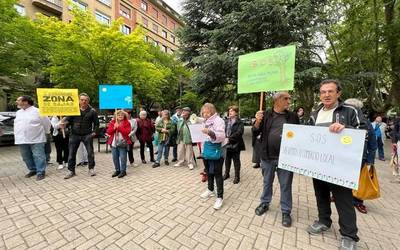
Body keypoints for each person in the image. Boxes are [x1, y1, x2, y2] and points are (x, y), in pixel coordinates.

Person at [306, 79, 367, 250]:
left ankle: (349, 235)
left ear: (338, 93)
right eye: (323, 91)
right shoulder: (315, 113)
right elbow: (307, 135)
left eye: (330, 91)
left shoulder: (350, 110)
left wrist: (345, 128)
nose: (326, 94)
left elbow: (364, 132)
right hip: (318, 165)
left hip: (341, 167)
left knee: (343, 200)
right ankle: (324, 221)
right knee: (321, 195)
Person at [252, 92, 299, 227]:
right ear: (277, 100)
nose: (289, 101)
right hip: (267, 157)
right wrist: (257, 121)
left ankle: (286, 211)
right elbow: (256, 132)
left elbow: (299, 136)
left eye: (290, 98)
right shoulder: (266, 114)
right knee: (267, 182)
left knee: (285, 185)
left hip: (286, 158)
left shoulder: (293, 116)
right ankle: (265, 203)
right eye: (286, 98)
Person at [344, 98, 377, 214]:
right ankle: (339, 196)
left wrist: (370, 161)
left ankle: (358, 201)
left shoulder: (365, 122)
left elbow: (373, 143)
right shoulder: (342, 120)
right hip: (344, 156)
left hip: (359, 157)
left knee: (359, 179)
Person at [61, 93, 99, 179]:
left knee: (90, 153)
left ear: (88, 101)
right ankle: (71, 171)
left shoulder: (92, 111)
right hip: (74, 135)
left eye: (85, 100)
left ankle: (91, 168)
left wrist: (94, 132)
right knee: (71, 154)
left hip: (87, 135)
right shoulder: (74, 110)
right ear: (79, 100)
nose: (83, 101)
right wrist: (64, 124)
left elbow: (97, 124)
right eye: (82, 100)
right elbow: (68, 121)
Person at [14, 95, 51, 181]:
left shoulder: (38, 111)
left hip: (37, 138)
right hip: (22, 139)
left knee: (38, 155)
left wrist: (46, 132)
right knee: (26, 156)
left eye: (18, 100)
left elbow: (47, 123)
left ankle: (40, 172)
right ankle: (33, 169)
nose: (17, 102)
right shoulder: (18, 112)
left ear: (25, 102)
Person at [199, 103, 226, 210]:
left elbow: (221, 136)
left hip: (217, 151)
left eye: (207, 112)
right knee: (208, 171)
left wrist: (210, 132)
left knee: (217, 174)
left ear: (212, 111)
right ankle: (210, 190)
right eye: (203, 112)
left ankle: (220, 197)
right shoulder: (204, 121)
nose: (205, 114)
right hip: (206, 151)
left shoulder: (219, 120)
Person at [106, 110, 132, 178]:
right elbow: (108, 132)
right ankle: (117, 170)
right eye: (118, 115)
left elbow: (127, 132)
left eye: (122, 115)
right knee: (115, 157)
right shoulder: (112, 122)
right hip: (114, 143)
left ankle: (123, 171)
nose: (120, 116)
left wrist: (119, 127)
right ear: (116, 116)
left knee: (123, 158)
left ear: (124, 116)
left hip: (123, 143)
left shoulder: (127, 123)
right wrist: (114, 127)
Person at [223, 105, 245, 184]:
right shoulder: (226, 121)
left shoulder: (240, 122)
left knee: (236, 161)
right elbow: (223, 131)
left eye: (232, 111)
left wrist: (229, 139)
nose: (230, 112)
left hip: (236, 144)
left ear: (236, 112)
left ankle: (237, 176)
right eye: (229, 111)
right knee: (227, 160)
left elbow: (239, 133)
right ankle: (226, 174)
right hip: (226, 144)